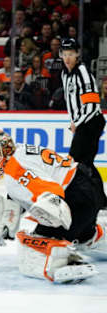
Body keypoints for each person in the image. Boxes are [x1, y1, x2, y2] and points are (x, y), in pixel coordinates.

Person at [0, 129, 104, 283]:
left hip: (76, 199)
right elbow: (28, 186)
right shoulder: (21, 150)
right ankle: (91, 235)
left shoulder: (14, 169)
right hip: (89, 187)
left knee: (34, 242)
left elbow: (51, 191)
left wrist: (52, 228)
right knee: (82, 233)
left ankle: (63, 263)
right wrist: (9, 219)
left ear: (2, 150)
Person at [60, 38, 107, 206]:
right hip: (83, 123)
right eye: (65, 54)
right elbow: (71, 102)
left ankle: (80, 198)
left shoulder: (82, 71)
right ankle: (100, 201)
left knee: (74, 161)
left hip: (92, 122)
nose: (67, 58)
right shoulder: (64, 73)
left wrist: (77, 123)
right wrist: (74, 121)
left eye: (71, 54)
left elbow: (92, 103)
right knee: (84, 163)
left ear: (77, 54)